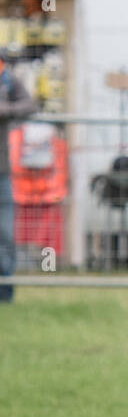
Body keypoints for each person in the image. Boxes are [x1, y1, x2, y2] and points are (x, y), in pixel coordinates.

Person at [0, 56, 38, 303]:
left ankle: (5, 293)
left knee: (4, 235)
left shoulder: (7, 78)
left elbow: (31, 105)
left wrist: (5, 110)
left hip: (1, 172)